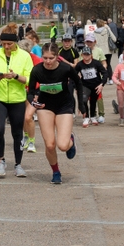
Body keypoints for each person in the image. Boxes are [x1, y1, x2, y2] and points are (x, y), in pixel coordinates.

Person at [0, 24, 34, 179]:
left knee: (17, 132)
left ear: (16, 43)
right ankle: (1, 160)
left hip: (17, 98)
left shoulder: (24, 56)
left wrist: (16, 76)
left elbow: (30, 79)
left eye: (9, 44)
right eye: (4, 44)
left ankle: (18, 164)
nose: (6, 47)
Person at [28, 43, 80, 184]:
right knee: (50, 145)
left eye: (51, 58)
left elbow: (78, 83)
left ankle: (71, 140)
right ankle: (56, 171)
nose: (48, 61)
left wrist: (81, 105)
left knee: (62, 146)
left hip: (64, 106)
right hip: (45, 107)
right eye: (45, 58)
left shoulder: (66, 68)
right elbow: (31, 91)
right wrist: (34, 102)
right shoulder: (37, 70)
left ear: (57, 57)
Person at [73, 45, 107, 127]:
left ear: (91, 55)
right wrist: (76, 86)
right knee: (84, 100)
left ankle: (93, 116)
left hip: (96, 85)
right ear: (82, 55)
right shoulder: (80, 65)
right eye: (84, 54)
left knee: (93, 102)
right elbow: (73, 75)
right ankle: (86, 117)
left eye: (88, 54)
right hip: (85, 85)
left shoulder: (96, 63)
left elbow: (105, 73)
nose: (86, 56)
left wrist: (102, 84)